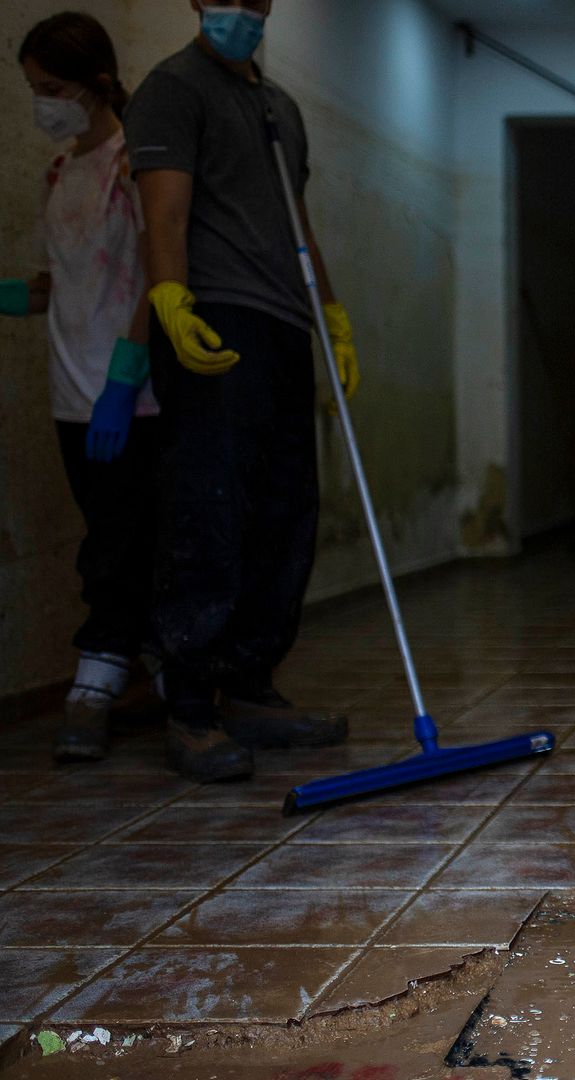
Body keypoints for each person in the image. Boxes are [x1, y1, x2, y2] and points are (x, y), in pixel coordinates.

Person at [123, 0, 357, 782]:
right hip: (215, 317)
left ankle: (252, 686)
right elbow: (164, 213)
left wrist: (331, 314)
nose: (244, 11)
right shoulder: (172, 88)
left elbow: (297, 224)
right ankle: (190, 705)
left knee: (285, 509)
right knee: (209, 507)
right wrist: (171, 299)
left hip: (284, 323)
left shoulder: (279, 105)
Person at [3, 13, 157, 763]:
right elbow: (56, 285)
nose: (43, 104)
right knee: (111, 532)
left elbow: (161, 276)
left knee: (119, 542)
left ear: (96, 84)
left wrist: (124, 381)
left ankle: (96, 680)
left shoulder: (136, 165)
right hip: (72, 396)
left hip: (129, 395)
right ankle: (146, 667)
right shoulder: (60, 172)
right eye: (34, 89)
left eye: (53, 89)